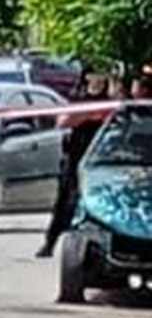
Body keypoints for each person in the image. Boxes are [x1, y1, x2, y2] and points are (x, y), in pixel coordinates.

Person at [39, 70, 112, 258]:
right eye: (93, 77)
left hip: (103, 159)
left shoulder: (111, 99)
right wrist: (89, 112)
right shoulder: (78, 97)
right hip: (76, 157)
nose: (97, 82)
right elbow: (63, 121)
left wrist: (91, 113)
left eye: (101, 78)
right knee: (65, 202)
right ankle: (50, 242)